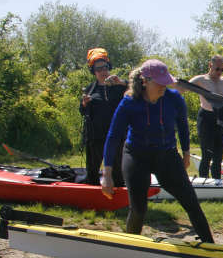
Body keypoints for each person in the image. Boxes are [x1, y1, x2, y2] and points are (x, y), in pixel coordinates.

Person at [101, 59, 213, 243]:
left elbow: (183, 126)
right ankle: (126, 251)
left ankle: (213, 251)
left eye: (166, 82)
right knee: (138, 209)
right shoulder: (129, 103)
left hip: (166, 155)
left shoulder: (174, 98)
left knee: (191, 203)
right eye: (159, 83)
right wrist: (107, 173)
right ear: (145, 81)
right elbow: (113, 136)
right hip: (137, 155)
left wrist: (186, 153)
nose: (164, 87)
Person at [79, 48, 127, 185]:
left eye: (105, 68)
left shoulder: (119, 86)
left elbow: (139, 89)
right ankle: (91, 194)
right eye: (98, 69)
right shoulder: (90, 88)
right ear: (93, 72)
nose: (102, 72)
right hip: (95, 136)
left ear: (109, 67)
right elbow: (82, 111)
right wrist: (84, 104)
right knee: (92, 170)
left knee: (118, 171)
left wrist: (121, 82)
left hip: (116, 135)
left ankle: (119, 197)